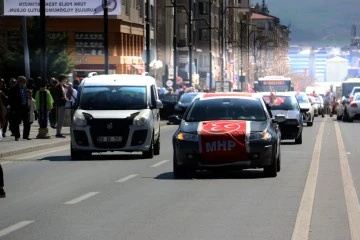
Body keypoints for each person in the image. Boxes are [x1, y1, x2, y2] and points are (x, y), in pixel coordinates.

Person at [8, 76, 31, 140]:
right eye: (23, 82)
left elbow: (26, 98)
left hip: (24, 107)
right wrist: (13, 109)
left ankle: (25, 136)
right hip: (17, 108)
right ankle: (17, 136)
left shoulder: (25, 88)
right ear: (19, 82)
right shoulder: (13, 89)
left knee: (27, 122)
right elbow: (11, 100)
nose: (24, 83)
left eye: (25, 82)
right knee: (16, 123)